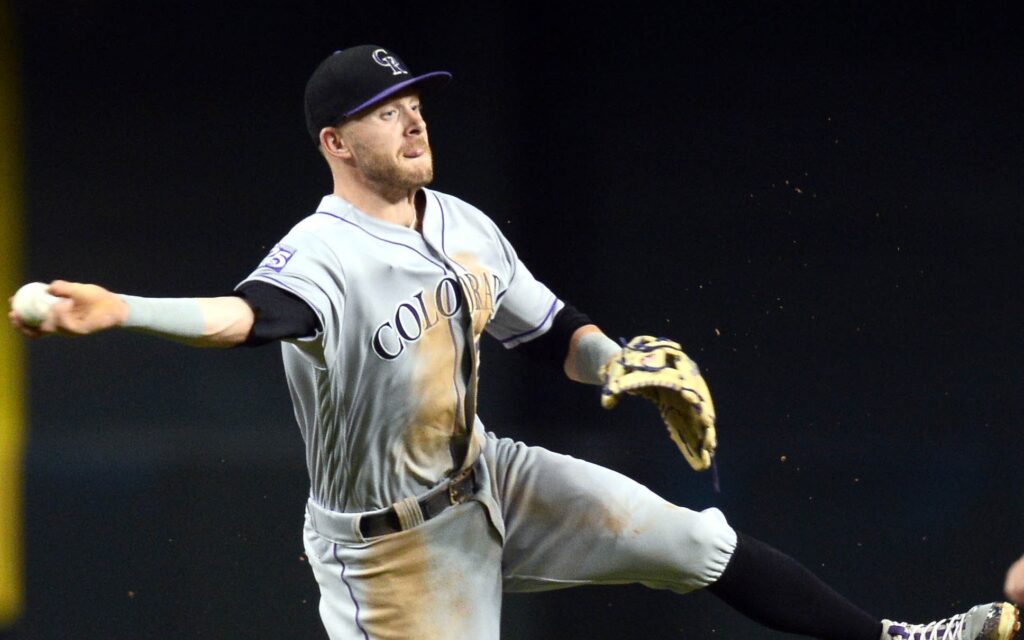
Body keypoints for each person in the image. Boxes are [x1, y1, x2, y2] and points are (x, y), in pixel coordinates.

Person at [9, 44, 1020, 640]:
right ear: (333, 142)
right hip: (390, 555)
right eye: (379, 110)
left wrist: (615, 361)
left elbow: (550, 330)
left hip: (488, 476)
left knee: (692, 541)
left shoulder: (457, 219)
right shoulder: (321, 253)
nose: (408, 118)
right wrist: (124, 308)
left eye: (412, 101)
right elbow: (246, 317)